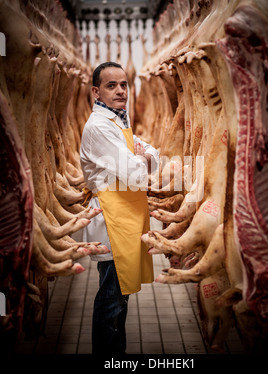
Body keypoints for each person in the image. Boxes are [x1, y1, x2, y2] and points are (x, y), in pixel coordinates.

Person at [80, 62, 159, 355]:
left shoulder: (118, 121)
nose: (120, 91)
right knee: (112, 300)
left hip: (125, 219)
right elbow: (137, 174)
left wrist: (145, 158)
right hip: (113, 222)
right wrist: (143, 160)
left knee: (121, 299)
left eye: (123, 84)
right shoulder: (100, 127)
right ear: (96, 92)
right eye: (111, 85)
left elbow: (153, 153)